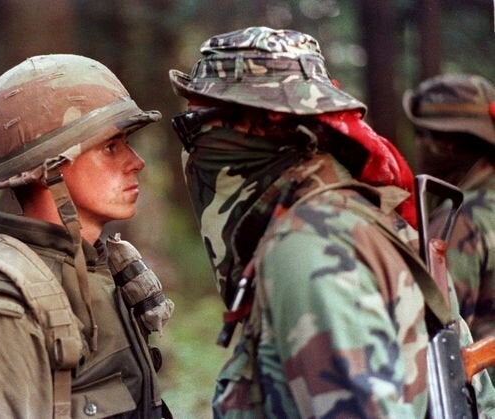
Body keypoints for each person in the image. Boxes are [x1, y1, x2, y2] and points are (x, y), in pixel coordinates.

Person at [168, 27, 495, 417]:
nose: (193, 142)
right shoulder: (359, 216)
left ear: (258, 123)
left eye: (198, 122)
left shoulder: (309, 245)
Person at [0, 54, 174, 418]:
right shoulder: (0, 312)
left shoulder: (100, 270)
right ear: (49, 169)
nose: (135, 161)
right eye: (111, 147)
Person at [403, 74, 495, 340]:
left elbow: (438, 331)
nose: (418, 145)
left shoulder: (459, 218)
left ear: (444, 145)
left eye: (421, 134)